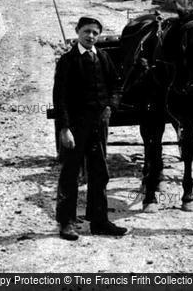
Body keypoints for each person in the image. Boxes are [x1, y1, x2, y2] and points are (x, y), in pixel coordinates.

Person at [53, 16, 127, 240]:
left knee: (99, 172)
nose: (91, 36)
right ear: (77, 32)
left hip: (98, 126)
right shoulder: (67, 61)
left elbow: (116, 84)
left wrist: (110, 106)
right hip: (75, 127)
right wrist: (64, 129)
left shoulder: (103, 57)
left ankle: (99, 221)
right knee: (70, 173)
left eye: (95, 33)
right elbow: (60, 98)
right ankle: (67, 222)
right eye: (86, 31)